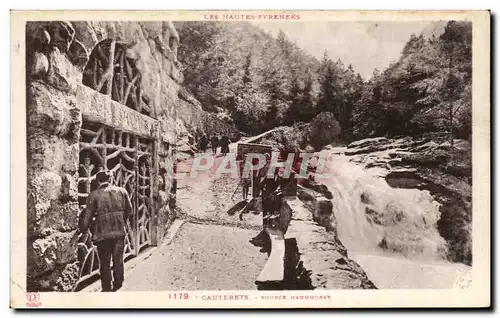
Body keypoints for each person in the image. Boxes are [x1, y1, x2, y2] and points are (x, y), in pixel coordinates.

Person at [79, 171, 133, 292]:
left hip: (102, 233)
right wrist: (121, 221)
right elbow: (129, 210)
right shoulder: (122, 191)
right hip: (119, 232)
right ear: (110, 179)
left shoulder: (94, 195)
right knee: (118, 259)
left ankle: (107, 286)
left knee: (105, 261)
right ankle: (118, 283)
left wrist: (83, 228)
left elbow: (88, 216)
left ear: (98, 181)